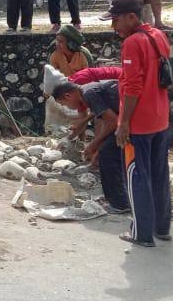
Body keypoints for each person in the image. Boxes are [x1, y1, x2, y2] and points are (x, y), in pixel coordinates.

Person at [100, 0, 171, 247]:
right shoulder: (158, 36)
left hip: (139, 122)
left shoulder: (132, 43)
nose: (113, 26)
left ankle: (141, 233)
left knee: (136, 175)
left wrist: (124, 123)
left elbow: (132, 86)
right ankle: (162, 228)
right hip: (160, 117)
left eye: (116, 20)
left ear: (132, 17)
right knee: (159, 174)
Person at [53, 80, 130, 214]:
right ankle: (123, 198)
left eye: (64, 104)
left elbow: (112, 121)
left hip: (130, 122)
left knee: (107, 153)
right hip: (133, 118)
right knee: (112, 153)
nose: (68, 107)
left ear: (68, 96)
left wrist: (94, 145)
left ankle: (120, 204)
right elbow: (102, 116)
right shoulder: (88, 90)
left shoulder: (88, 93)